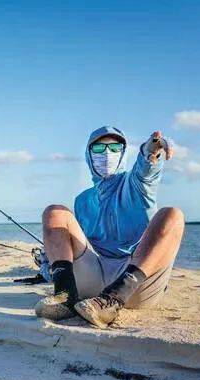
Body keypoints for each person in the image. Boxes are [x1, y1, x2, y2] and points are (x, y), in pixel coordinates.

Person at [35, 126, 184, 328]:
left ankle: (113, 299)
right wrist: (49, 259)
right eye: (99, 149)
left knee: (172, 215)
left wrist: (150, 153)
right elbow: (79, 247)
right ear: (88, 155)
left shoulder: (136, 185)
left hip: (134, 285)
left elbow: (146, 172)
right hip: (92, 279)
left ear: (123, 153)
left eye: (114, 148)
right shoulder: (82, 201)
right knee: (55, 212)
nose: (107, 154)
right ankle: (64, 296)